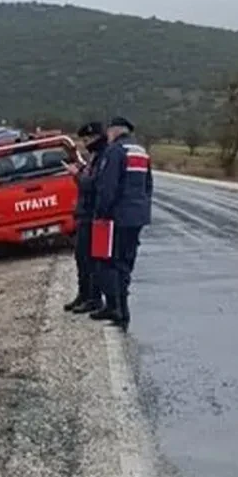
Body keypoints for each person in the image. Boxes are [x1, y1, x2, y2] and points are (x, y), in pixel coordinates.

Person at [89, 116, 153, 330]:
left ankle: (116, 307)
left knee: (109, 262)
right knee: (126, 262)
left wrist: (101, 213)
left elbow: (108, 186)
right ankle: (123, 310)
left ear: (115, 131)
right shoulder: (141, 152)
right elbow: (148, 186)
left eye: (109, 131)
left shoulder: (115, 151)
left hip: (118, 216)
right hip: (138, 216)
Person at [65, 121, 108, 314]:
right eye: (84, 140)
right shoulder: (94, 158)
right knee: (81, 258)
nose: (86, 143)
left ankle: (93, 298)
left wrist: (78, 175)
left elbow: (93, 184)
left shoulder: (103, 158)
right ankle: (84, 295)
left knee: (91, 260)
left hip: (93, 215)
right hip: (85, 214)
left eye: (88, 139)